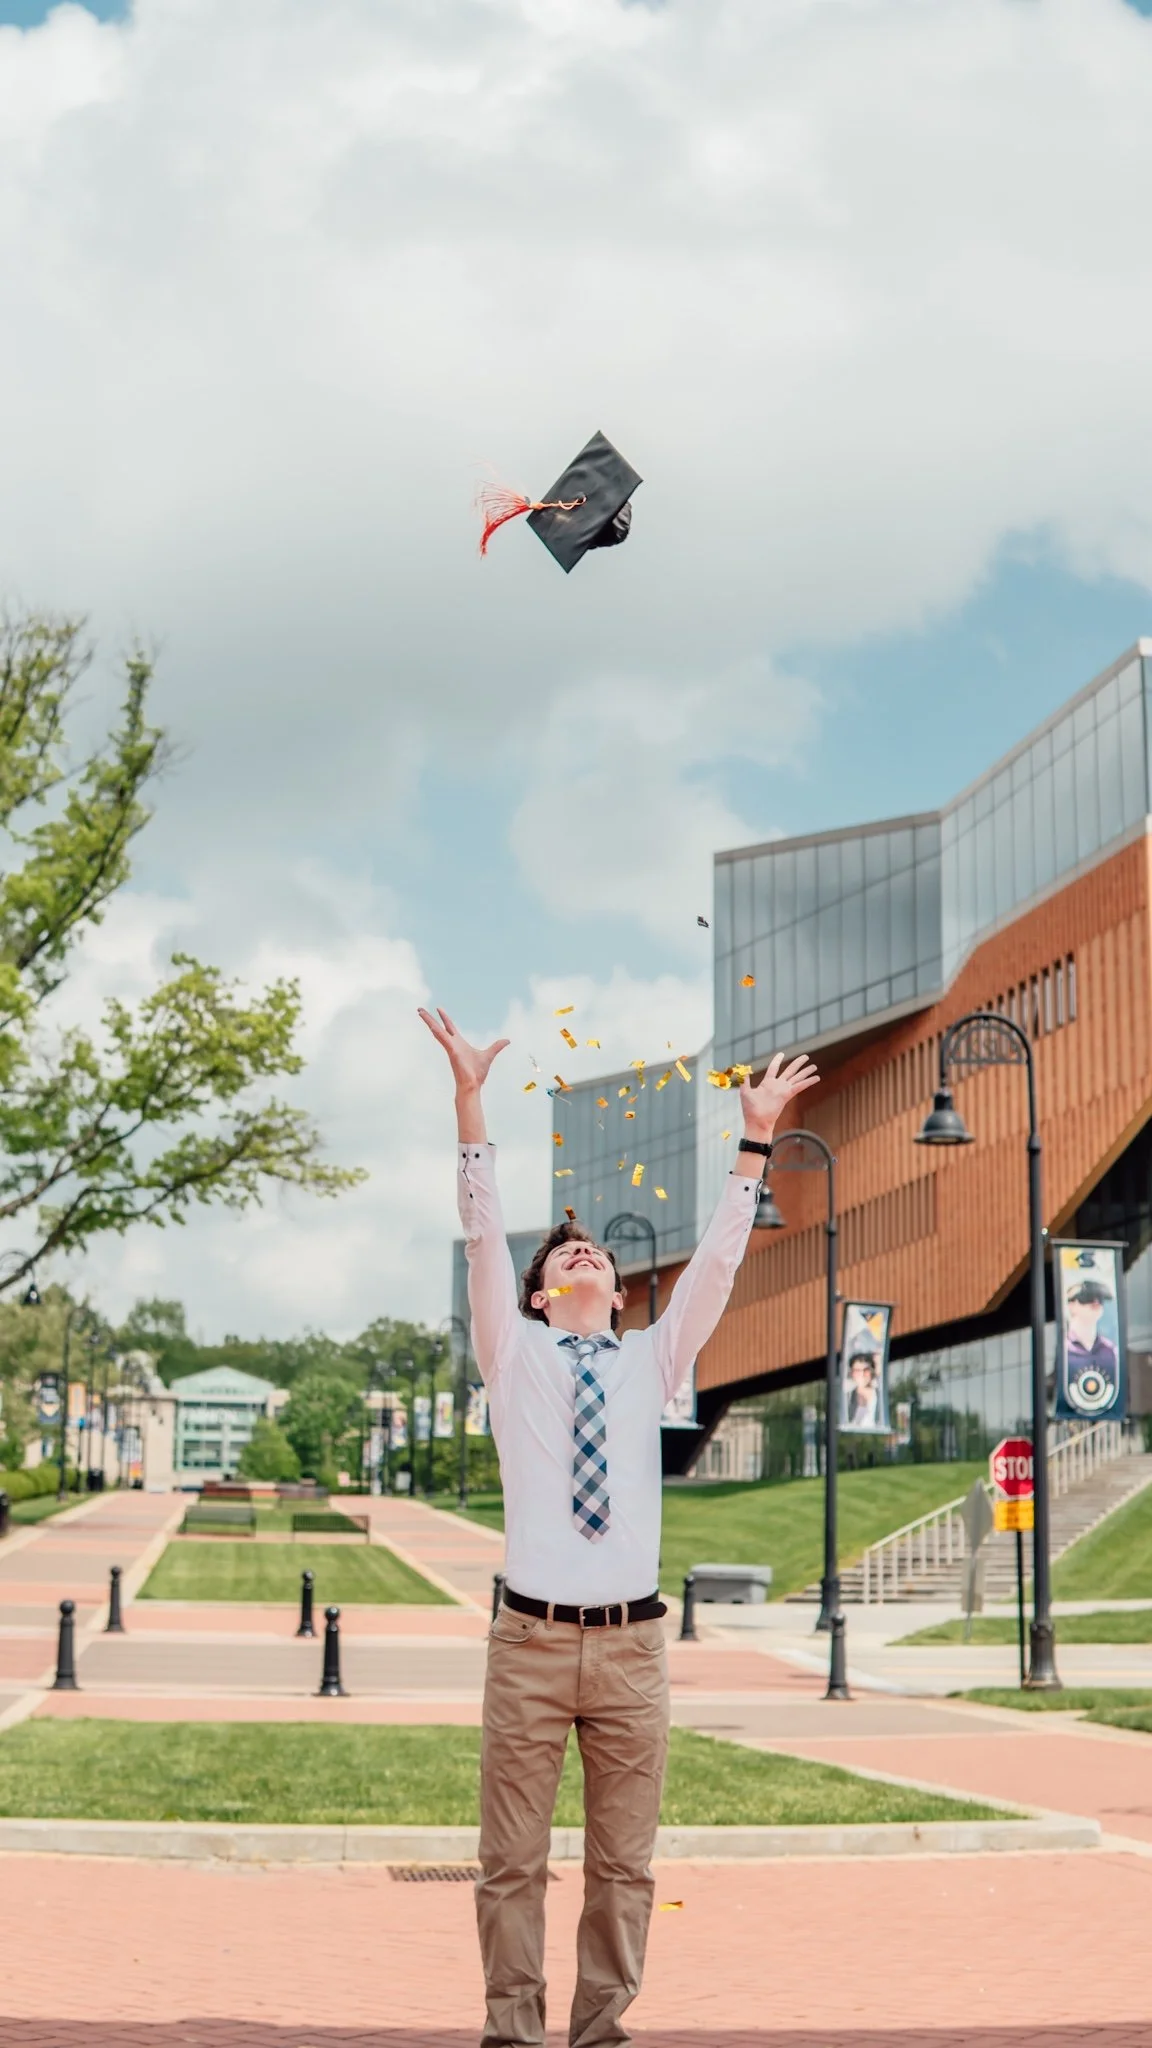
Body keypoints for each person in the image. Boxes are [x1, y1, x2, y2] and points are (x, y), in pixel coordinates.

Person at [418, 1004, 819, 2048]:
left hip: (635, 1644)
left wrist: (753, 1139)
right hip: (533, 1643)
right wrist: (471, 1099)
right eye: (564, 1256)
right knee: (509, 1857)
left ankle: (601, 2029)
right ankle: (512, 2028)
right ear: (545, 1295)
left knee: (624, 1862)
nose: (584, 1254)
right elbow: (478, 1227)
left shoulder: (652, 1360)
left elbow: (724, 1264)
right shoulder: (514, 1355)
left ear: (616, 1284)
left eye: (595, 1248)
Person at [1064, 1276, 1118, 1408]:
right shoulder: (1064, 1348)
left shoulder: (1110, 1350)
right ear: (1072, 1305)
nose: (1095, 1303)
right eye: (1086, 1299)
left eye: (1100, 1300)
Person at [844, 1350, 880, 1429]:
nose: (862, 1374)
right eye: (857, 1370)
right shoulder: (847, 1397)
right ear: (851, 1373)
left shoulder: (879, 1396)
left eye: (866, 1370)